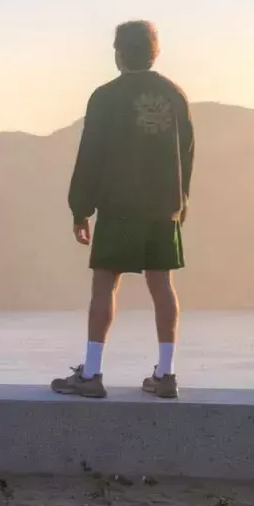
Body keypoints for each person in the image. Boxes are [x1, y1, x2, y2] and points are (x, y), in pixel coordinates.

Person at [52, 20, 194, 400]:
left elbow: (91, 155)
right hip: (164, 208)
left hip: (119, 206)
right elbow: (187, 155)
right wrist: (181, 204)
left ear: (118, 53)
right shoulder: (175, 96)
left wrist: (80, 210)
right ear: (155, 52)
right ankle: (166, 374)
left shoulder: (106, 97)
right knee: (162, 285)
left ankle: (92, 373)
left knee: (105, 284)